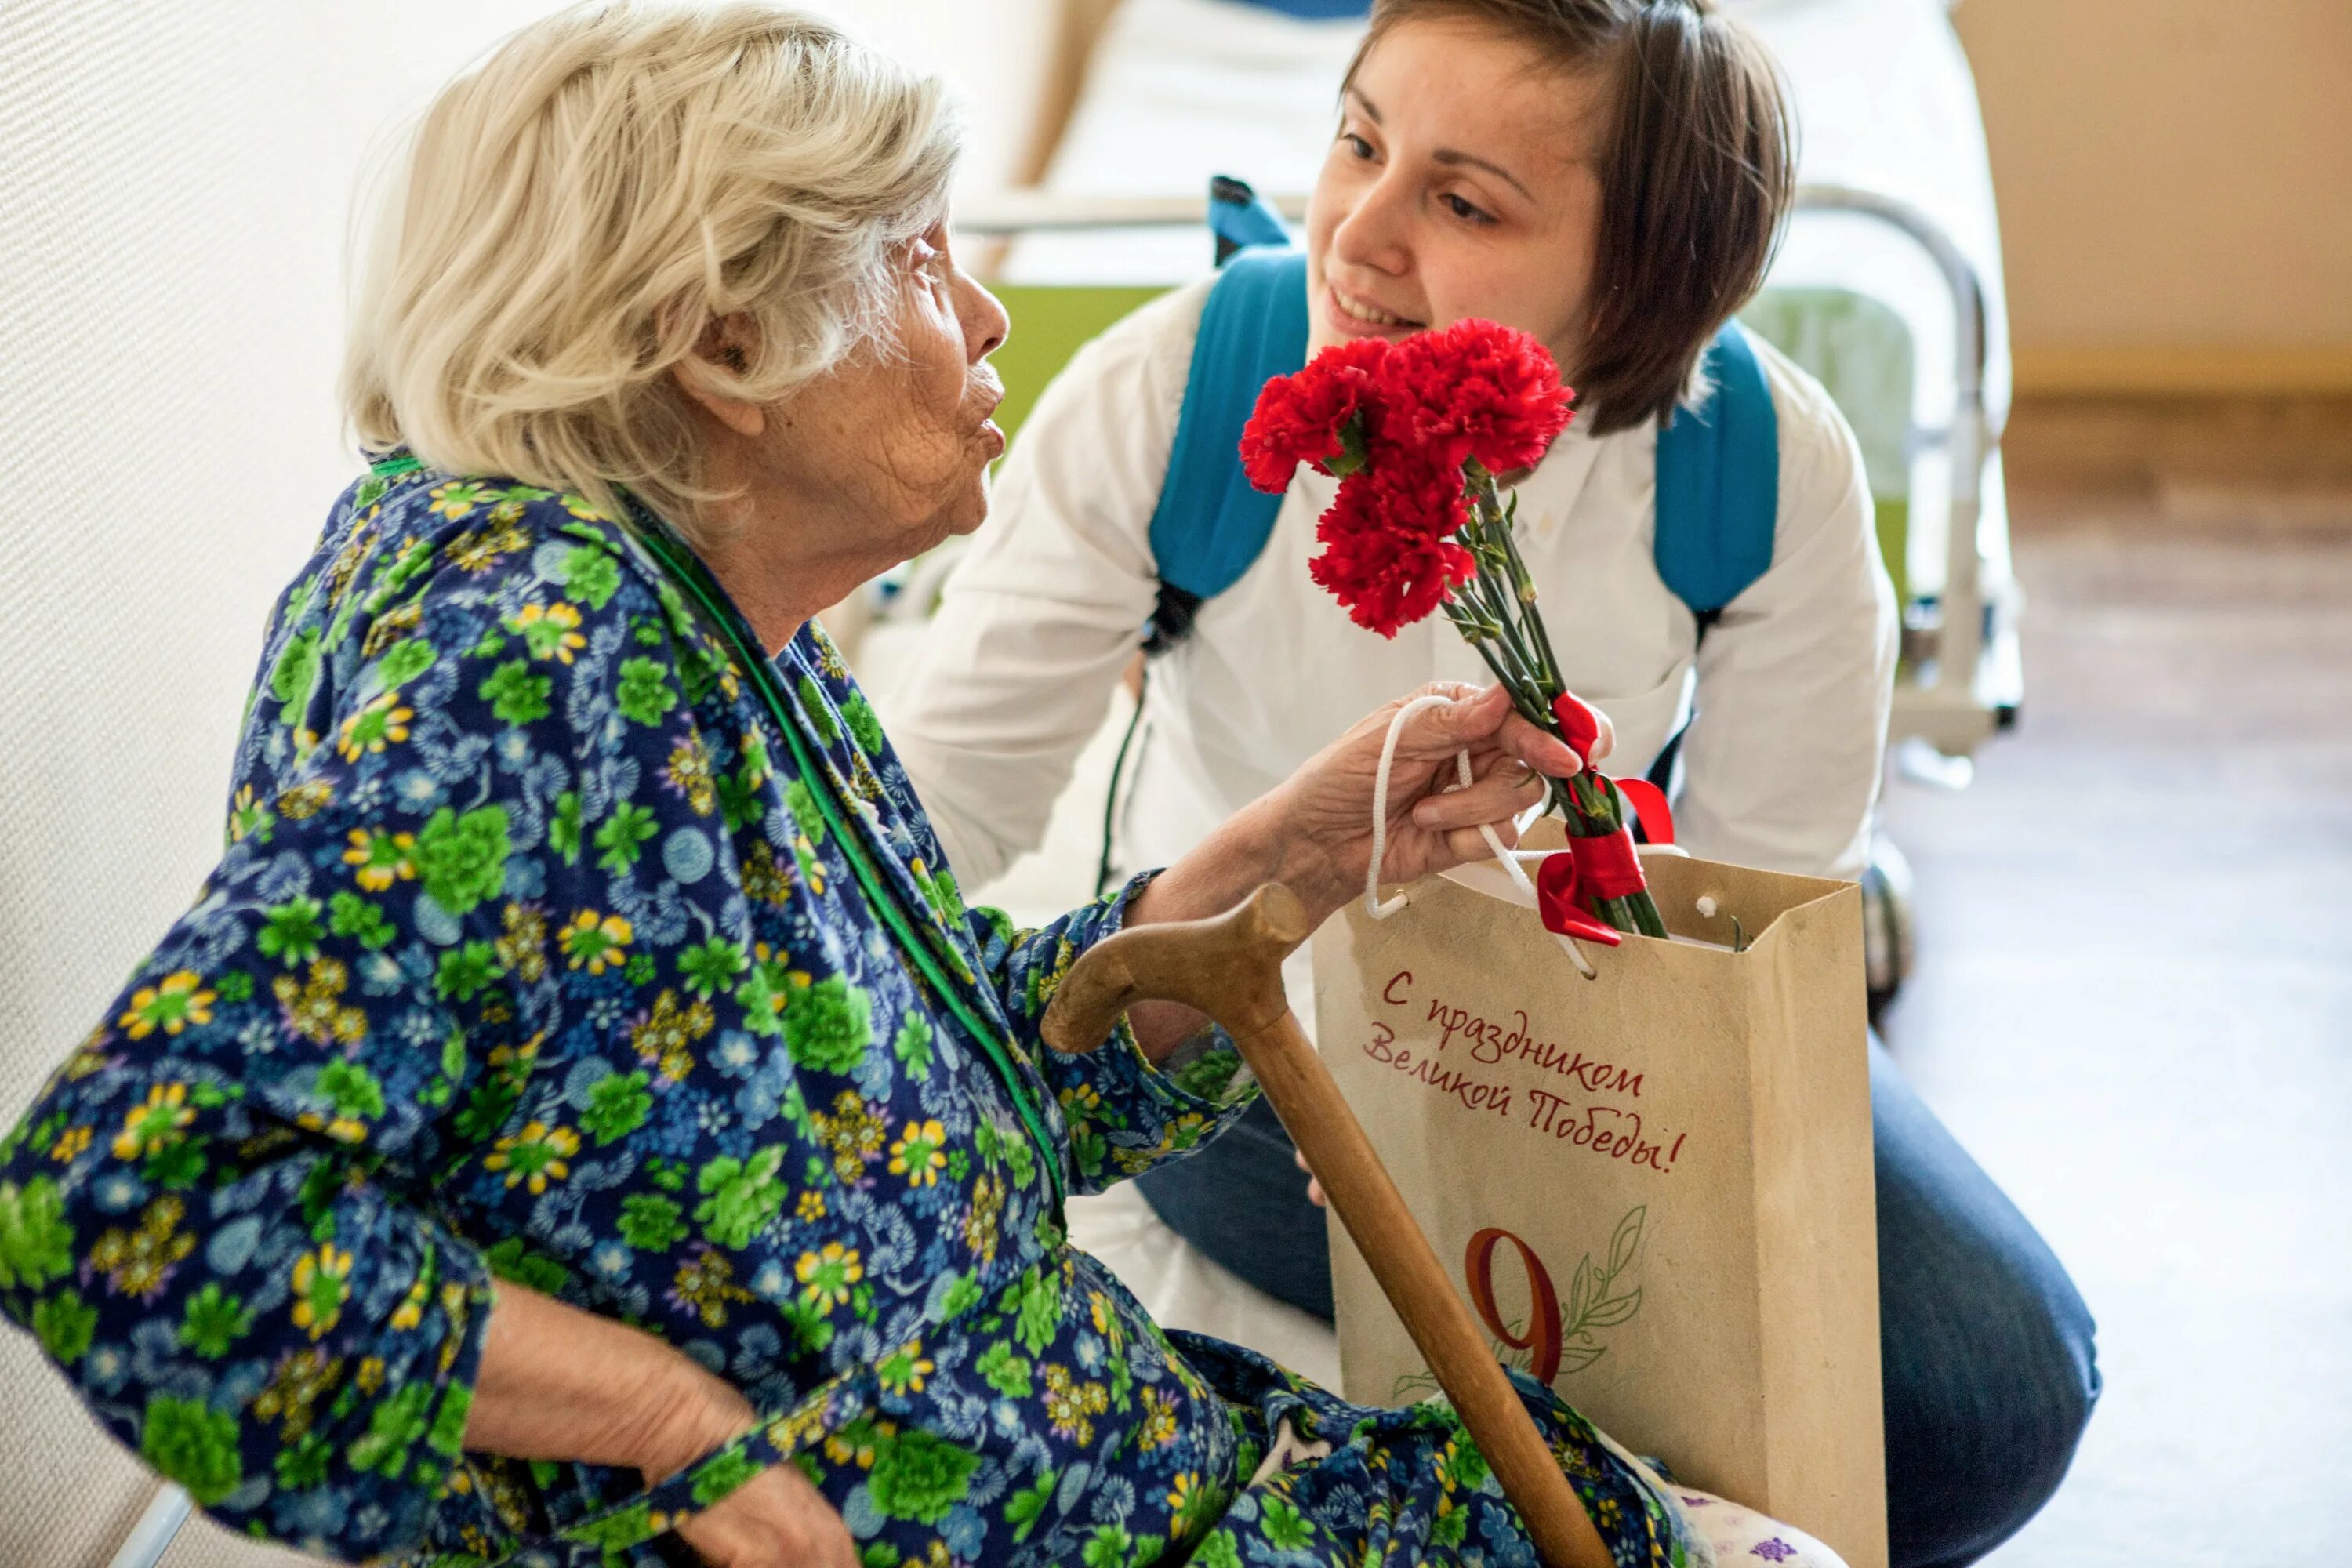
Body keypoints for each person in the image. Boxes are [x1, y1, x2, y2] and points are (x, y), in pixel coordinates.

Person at [0, 6, 1860, 1566]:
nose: (983, 322)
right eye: (915, 258)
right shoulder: (537, 662)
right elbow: (121, 1204)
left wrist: (1281, 853)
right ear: (725, 347)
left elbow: (948, 1096)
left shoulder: (697, 621)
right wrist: (669, 1422)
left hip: (1095, 1455)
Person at [886, 2, 2099, 1563]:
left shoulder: (1759, 464)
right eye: (1358, 141)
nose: (1358, 237)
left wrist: (1621, 1138)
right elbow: (940, 806)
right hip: (1259, 1033)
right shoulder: (1171, 394)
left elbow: (1763, 902)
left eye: (1462, 202)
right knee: (1629, 1376)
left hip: (1621, 1025)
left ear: (1642, 273)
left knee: (1995, 1389)